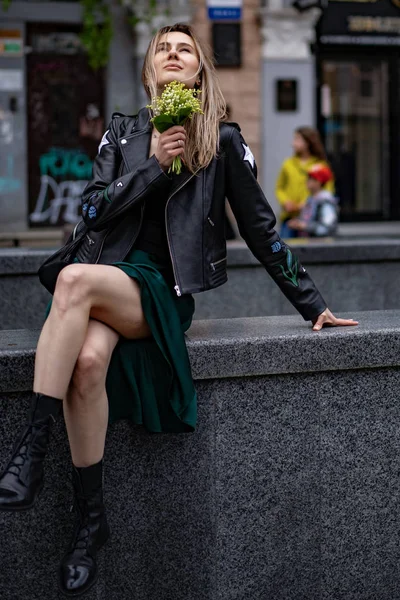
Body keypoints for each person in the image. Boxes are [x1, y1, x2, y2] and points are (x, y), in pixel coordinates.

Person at [0, 23, 358, 598]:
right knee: (88, 365)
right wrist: (150, 164)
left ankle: (31, 452)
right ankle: (90, 527)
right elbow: (89, 211)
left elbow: (263, 231)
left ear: (198, 72)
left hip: (161, 294)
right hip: (106, 283)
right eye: (162, 48)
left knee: (70, 281)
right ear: (150, 72)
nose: (172, 54)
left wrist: (312, 304)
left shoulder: (221, 139)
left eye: (184, 49)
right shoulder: (122, 134)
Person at [276, 127, 335, 239]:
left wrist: (305, 205)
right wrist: (285, 202)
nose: (293, 143)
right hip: (290, 217)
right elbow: (279, 187)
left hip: (310, 219)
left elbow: (328, 190)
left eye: (297, 139)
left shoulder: (320, 165)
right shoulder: (288, 164)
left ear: (308, 142)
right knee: (285, 251)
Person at [288, 163, 338, 238]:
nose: (307, 180)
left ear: (318, 181)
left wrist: (304, 226)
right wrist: (298, 222)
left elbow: (327, 228)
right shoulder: (311, 199)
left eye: (310, 178)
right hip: (309, 244)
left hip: (321, 246)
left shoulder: (325, 201)